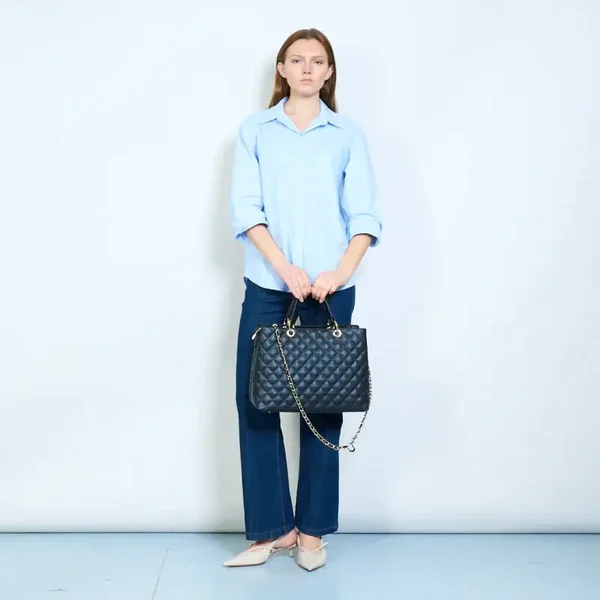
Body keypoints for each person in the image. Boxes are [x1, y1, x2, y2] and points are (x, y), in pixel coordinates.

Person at [224, 27, 382, 571]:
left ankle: (312, 533)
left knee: (323, 407)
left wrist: (338, 273)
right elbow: (247, 209)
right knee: (255, 402)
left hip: (331, 292)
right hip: (269, 288)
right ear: (282, 69)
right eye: (297, 60)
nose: (308, 68)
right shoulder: (255, 131)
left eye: (318, 61)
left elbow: (365, 215)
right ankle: (273, 531)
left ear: (329, 72)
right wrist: (285, 269)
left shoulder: (347, 134)